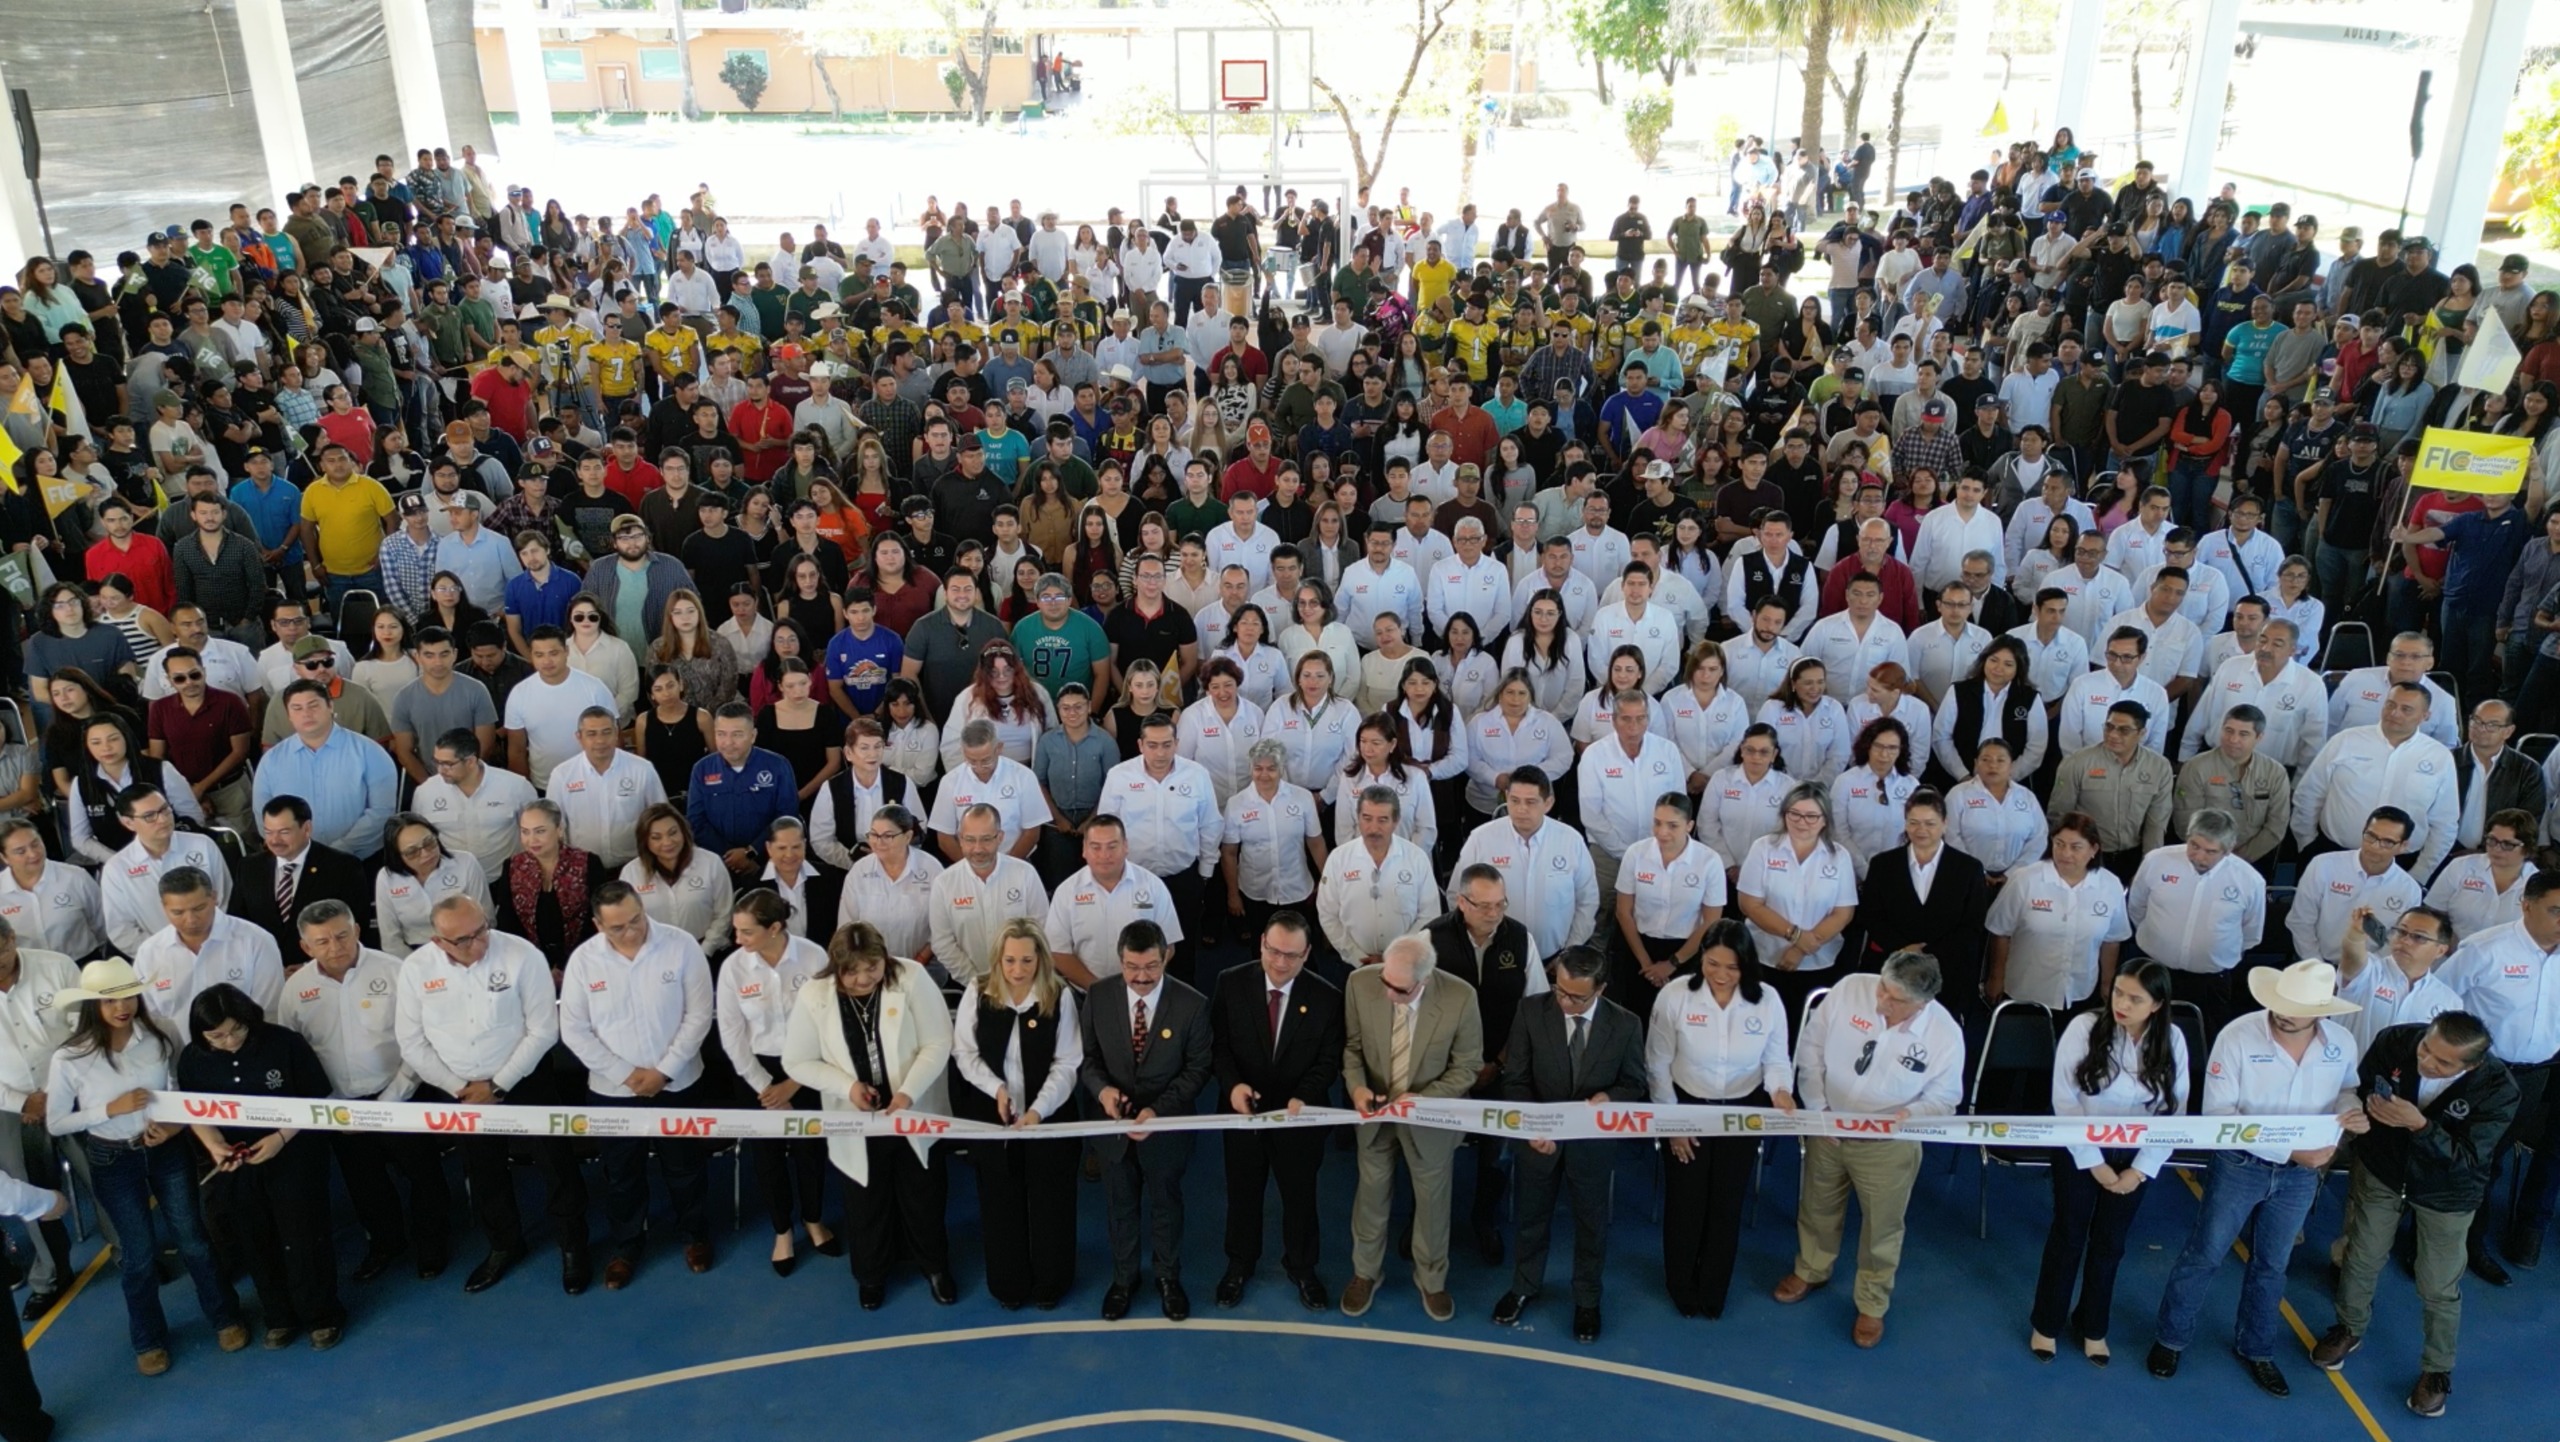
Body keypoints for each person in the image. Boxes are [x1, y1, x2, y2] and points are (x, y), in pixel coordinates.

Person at [2147, 961, 2369, 1396]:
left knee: (2272, 1264)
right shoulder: (2237, 1036)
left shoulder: (2341, 1043)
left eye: (2295, 1007)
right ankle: (2170, 1338)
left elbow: (2347, 1085)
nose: (2282, 1013)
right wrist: (2292, 1152)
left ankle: (2258, 1347)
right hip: (2241, 1165)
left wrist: (2351, 1108)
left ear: (2321, 1011)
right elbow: (2219, 1114)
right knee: (2205, 1253)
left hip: (2302, 1173)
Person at [44, 956, 246, 1374]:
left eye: (129, 997)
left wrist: (173, 1126)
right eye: (110, 1001)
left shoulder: (159, 1035)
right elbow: (57, 1120)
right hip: (112, 1157)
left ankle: (225, 1316)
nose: (123, 1007)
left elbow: (177, 1088)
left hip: (165, 1150)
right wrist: (108, 1109)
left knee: (194, 1239)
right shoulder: (70, 1057)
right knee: (136, 1254)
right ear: (91, 1006)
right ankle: (148, 1339)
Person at [2313, 1012, 2516, 1420]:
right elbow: (2360, 1084)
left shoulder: (2498, 1089)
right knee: (2361, 1255)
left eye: (2442, 1063)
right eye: (2426, 1048)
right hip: (2382, 1170)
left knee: (2438, 1285)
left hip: (2447, 1193)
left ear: (2471, 1066)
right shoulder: (2396, 1041)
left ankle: (2436, 1370)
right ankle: (2348, 1327)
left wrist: (2421, 1126)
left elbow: (2469, 1159)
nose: (2426, 1062)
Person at [394, 894, 590, 1294]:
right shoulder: (416, 969)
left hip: (526, 1078)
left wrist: (499, 1084)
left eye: (481, 930)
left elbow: (543, 1029)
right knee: (483, 1171)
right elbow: (411, 1041)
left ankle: (573, 1246)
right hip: (461, 1089)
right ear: (438, 942)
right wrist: (459, 1089)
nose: (478, 943)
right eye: (463, 940)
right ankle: (504, 1245)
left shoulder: (521, 955)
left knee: (556, 1163)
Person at [1773, 949, 1965, 1348]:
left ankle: (1872, 1304)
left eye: (1895, 1000)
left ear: (1923, 1003)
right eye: (1882, 988)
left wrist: (1907, 1115)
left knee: (1882, 1227)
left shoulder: (1945, 1035)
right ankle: (1811, 1268)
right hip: (1826, 1124)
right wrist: (1818, 1108)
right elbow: (1810, 1047)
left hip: (1889, 1143)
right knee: (1817, 1205)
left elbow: (1946, 1098)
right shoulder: (1848, 989)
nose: (1881, 1001)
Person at [782, 919, 956, 1308]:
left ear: (884, 960)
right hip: (856, 1118)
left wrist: (909, 1092)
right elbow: (797, 1061)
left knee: (923, 1195)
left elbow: (938, 1040)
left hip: (913, 1110)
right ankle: (872, 1275)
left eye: (872, 968)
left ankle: (935, 1266)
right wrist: (848, 1088)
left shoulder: (910, 977)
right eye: (853, 972)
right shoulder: (815, 995)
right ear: (836, 968)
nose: (864, 980)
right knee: (865, 1200)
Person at [273, 897, 447, 1282]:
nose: (335, 948)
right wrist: (332, 1108)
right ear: (305, 947)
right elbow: (294, 1055)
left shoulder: (396, 970)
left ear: (357, 930)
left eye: (341, 935)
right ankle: (386, 1244)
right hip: (342, 1108)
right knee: (365, 1186)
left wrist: (393, 1098)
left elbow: (420, 1040)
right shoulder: (295, 990)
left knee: (424, 1176)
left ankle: (433, 1246)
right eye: (322, 942)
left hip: (400, 1095)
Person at [2030, 961, 2189, 1364]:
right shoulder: (2084, 1028)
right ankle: (2046, 1323)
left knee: (2110, 1244)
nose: (2122, 1003)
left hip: (2136, 1158)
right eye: (2118, 992)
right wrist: (2095, 1163)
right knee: (2068, 1235)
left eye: (2135, 998)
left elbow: (2174, 1112)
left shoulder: (2173, 1040)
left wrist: (2139, 1170)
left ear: (2157, 1004)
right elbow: (2064, 1101)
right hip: (2079, 1150)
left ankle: (2093, 1326)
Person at [174, 983, 344, 1351]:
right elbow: (193, 1109)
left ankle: (321, 1315)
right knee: (255, 1238)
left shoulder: (284, 1043)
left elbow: (316, 1100)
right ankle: (279, 1317)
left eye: (237, 1030)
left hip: (293, 1151)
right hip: (238, 1161)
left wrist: (280, 1138)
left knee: (303, 1235)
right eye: (216, 1036)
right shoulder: (193, 1058)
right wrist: (214, 1145)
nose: (229, 1041)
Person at [1491, 944, 1646, 1344]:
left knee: (1591, 1225)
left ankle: (1588, 1299)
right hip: (1539, 1138)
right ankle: (1524, 1285)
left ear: (1601, 989)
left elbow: (1635, 1084)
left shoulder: (1626, 1025)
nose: (1565, 1001)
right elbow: (1516, 1080)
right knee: (1531, 1217)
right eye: (1560, 990)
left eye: (1577, 996)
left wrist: (1609, 1100)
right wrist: (1531, 1128)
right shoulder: (1531, 1012)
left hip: (1592, 1144)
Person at [1646, 917, 1793, 1319]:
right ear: (1701, 959)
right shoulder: (1676, 996)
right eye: (1712, 963)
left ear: (1747, 965)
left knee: (1726, 1204)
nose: (1721, 975)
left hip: (1743, 1112)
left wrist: (1781, 1090)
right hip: (1688, 1107)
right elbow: (1657, 1064)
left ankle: (1714, 1289)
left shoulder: (1767, 1001)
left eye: (1732, 967)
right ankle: (1680, 1284)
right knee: (1686, 1202)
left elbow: (1776, 1058)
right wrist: (1672, 1124)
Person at [1339, 932, 1483, 1324]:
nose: (1388, 994)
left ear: (1425, 979)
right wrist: (1357, 1088)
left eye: (1399, 991)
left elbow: (1468, 1067)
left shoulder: (1460, 998)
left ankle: (1432, 1281)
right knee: (1370, 1196)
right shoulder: (1360, 983)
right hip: (1375, 1114)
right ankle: (1365, 1273)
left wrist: (1423, 1099)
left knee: (1433, 1203)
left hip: (1428, 1119)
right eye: (1385, 981)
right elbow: (1351, 1048)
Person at [1208, 909, 1343, 1312]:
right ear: (1262, 943)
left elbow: (1328, 1059)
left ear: (1306, 955)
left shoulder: (1326, 997)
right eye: (1273, 951)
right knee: (1243, 1192)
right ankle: (1239, 1264)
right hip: (1241, 1114)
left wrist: (1303, 1095)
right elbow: (1219, 1046)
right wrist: (1232, 1087)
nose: (1280, 962)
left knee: (1300, 1196)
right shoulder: (1230, 983)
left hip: (1299, 1119)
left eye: (1291, 955)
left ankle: (1303, 1267)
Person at [1079, 919, 1210, 1322]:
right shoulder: (1098, 996)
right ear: (1120, 960)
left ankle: (1169, 1279)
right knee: (1120, 1204)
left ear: (1166, 956)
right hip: (1113, 1128)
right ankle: (1124, 1280)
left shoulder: (1192, 1004)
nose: (1141, 977)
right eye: (1132, 967)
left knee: (1166, 1202)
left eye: (1151, 967)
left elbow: (1197, 1069)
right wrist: (1103, 1091)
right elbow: (1086, 1058)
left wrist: (1159, 1111)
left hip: (1166, 1127)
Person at [951, 918, 1083, 1311]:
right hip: (993, 1120)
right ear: (998, 959)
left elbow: (1068, 1063)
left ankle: (1051, 1283)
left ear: (1040, 959)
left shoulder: (1059, 996)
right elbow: (965, 1053)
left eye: (1026, 960)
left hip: (1049, 1118)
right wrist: (998, 1089)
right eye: (1009, 961)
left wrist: (1039, 1110)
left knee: (1051, 1202)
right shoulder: (978, 991)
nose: (1018, 970)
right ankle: (1008, 1285)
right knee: (999, 1202)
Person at [2436, 871, 2560, 1282]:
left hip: (2535, 1076)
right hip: (2483, 1075)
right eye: (2556, 910)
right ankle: (2440, 1246)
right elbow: (2439, 1001)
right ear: (2526, 904)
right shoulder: (2485, 949)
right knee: (2466, 1163)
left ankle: (2472, 1241)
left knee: (2495, 1164)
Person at [716, 889, 837, 1275]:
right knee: (767, 1158)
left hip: (807, 1069)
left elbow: (827, 1024)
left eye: (746, 932)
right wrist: (765, 1087)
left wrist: (794, 1083)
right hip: (757, 1074)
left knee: (811, 1154)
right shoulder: (733, 969)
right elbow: (732, 1035)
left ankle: (814, 1220)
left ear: (775, 928)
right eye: (736, 931)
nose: (738, 940)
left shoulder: (814, 956)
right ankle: (782, 1230)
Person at [2126, 809, 2266, 1034]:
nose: (2199, 856)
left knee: (2207, 1037)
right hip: (2154, 969)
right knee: (2143, 1034)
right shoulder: (2157, 861)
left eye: (2211, 851)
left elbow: (2251, 933)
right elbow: (2136, 907)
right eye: (2194, 845)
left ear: (2228, 850)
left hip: (2211, 981)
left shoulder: (2249, 881)